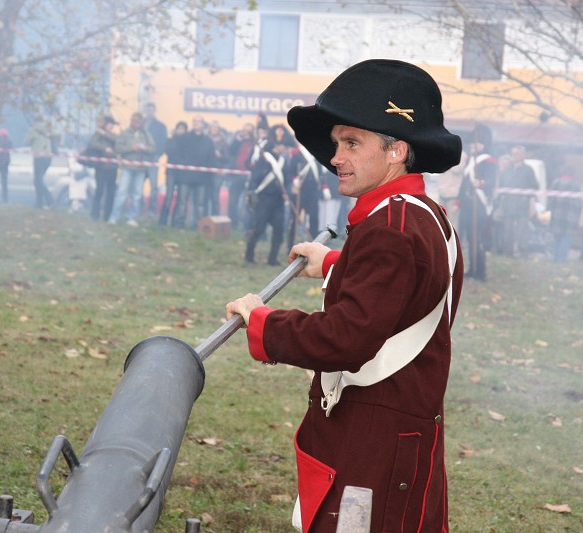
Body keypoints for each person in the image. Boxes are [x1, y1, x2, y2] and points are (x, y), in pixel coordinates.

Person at [225, 59, 463, 533]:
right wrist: (333, 263)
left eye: (352, 143)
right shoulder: (421, 215)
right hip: (401, 430)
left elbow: (346, 338)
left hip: (374, 438)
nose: (336, 157)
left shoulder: (390, 230)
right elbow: (403, 290)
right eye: (337, 144)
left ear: (396, 151)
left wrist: (262, 321)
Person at [243, 127, 292, 266]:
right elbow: (255, 177)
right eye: (283, 145)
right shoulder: (264, 158)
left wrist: (288, 192)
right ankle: (249, 255)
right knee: (258, 229)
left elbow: (287, 179)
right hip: (264, 199)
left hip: (278, 201)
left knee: (278, 230)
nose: (285, 148)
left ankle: (272, 259)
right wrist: (251, 191)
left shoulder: (283, 161)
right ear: (277, 145)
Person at [458, 123, 496, 280]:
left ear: (482, 144)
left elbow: (490, 180)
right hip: (468, 205)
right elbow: (464, 182)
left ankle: (480, 272)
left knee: (477, 238)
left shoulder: (488, 161)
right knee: (469, 238)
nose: (472, 146)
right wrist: (459, 200)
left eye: (475, 143)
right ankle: (472, 269)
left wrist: (482, 183)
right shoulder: (470, 161)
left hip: (478, 205)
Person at [110, 112, 155, 226]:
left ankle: (132, 217)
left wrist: (144, 148)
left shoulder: (146, 134)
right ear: (131, 121)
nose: (137, 124)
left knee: (137, 194)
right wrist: (131, 148)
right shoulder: (125, 133)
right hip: (127, 167)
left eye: (139, 122)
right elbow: (117, 147)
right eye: (135, 121)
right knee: (121, 192)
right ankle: (114, 217)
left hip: (140, 168)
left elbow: (153, 148)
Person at [173, 116, 216, 229]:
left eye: (199, 121)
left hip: (202, 178)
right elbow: (178, 154)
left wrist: (208, 174)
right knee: (182, 202)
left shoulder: (208, 141)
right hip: (185, 176)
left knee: (200, 204)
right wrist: (182, 168)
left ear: (203, 124)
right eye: (194, 121)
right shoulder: (184, 138)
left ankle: (199, 226)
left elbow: (211, 159)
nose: (196, 123)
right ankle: (179, 224)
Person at [497, 146, 538, 257]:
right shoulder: (507, 170)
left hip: (522, 206)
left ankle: (523, 253)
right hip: (508, 205)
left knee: (522, 233)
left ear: (523, 155)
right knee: (508, 231)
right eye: (513, 154)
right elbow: (501, 186)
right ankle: (508, 253)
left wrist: (526, 197)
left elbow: (534, 186)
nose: (515, 156)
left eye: (517, 154)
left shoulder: (528, 170)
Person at [85, 115, 119, 221]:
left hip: (112, 167)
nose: (111, 126)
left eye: (112, 125)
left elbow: (117, 145)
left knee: (110, 193)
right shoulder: (97, 135)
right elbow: (92, 144)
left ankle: (107, 215)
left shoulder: (114, 136)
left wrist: (105, 135)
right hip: (101, 167)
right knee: (99, 191)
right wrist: (105, 148)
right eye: (109, 124)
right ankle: (94, 215)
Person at [547, 167, 582, 262]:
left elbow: (550, 199)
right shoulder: (576, 186)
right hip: (570, 217)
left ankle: (555, 258)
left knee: (556, 238)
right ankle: (562, 259)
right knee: (566, 239)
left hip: (556, 216)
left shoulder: (556, 183)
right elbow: (579, 203)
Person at [159, 121, 190, 226]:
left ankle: (176, 222)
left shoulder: (188, 142)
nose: (181, 130)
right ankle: (162, 221)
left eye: (183, 128)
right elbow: (168, 151)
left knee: (181, 198)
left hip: (183, 173)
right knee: (169, 196)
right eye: (179, 128)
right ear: (176, 129)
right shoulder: (171, 140)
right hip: (171, 171)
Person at [227, 122, 256, 230]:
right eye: (245, 130)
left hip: (249, 175)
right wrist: (237, 140)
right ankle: (232, 224)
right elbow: (230, 152)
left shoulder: (255, 143)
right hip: (236, 174)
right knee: (233, 200)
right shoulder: (237, 141)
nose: (246, 133)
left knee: (247, 203)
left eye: (249, 130)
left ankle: (246, 226)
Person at [23, 115, 57, 208]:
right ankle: (39, 203)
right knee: (39, 181)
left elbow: (26, 142)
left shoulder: (34, 129)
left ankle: (49, 201)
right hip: (48, 158)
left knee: (38, 181)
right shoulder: (49, 129)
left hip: (38, 157)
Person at [142, 102, 167, 215]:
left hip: (153, 159)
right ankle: (139, 208)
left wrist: (157, 154)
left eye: (151, 110)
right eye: (148, 110)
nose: (149, 112)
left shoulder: (160, 126)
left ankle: (152, 209)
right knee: (138, 185)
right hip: (140, 159)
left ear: (154, 111)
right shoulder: (140, 124)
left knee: (154, 186)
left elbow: (163, 143)